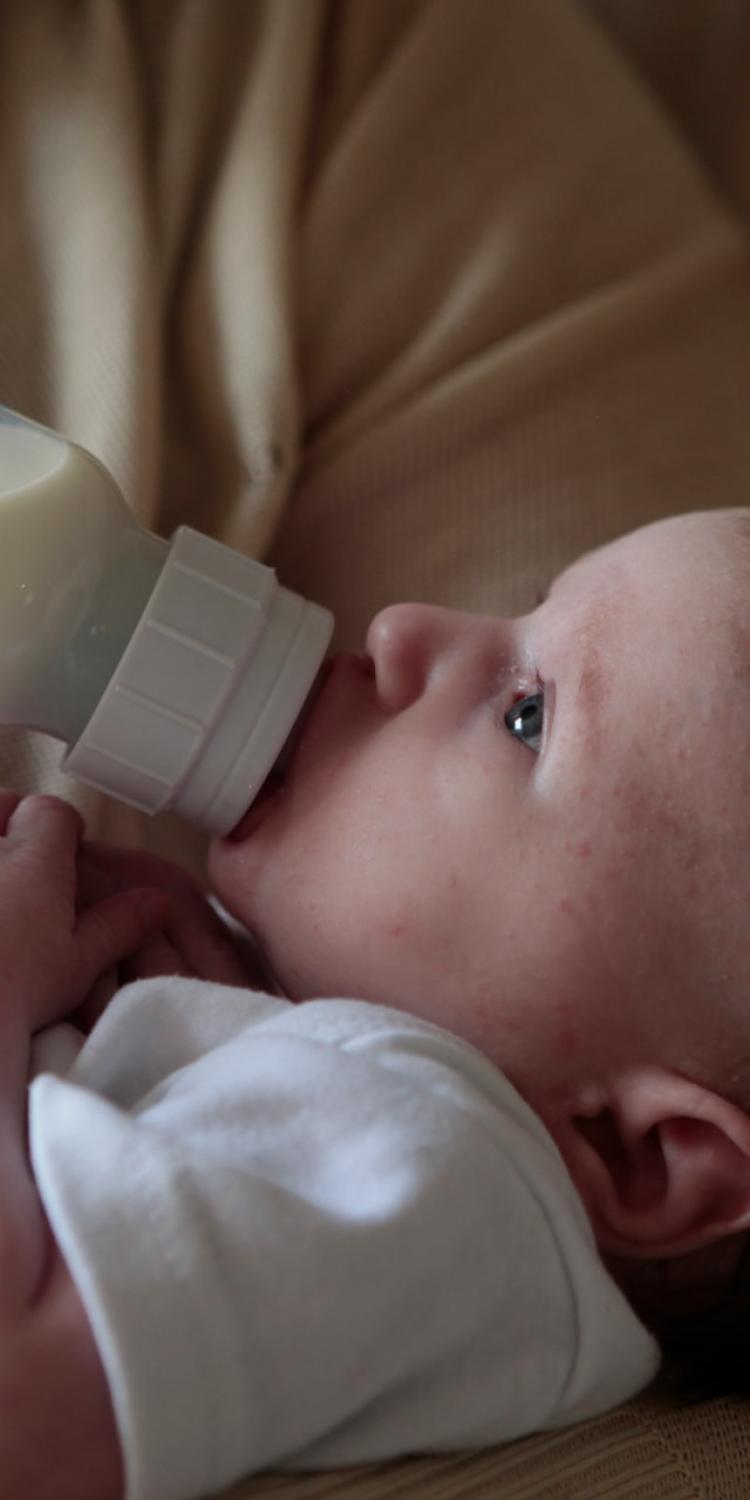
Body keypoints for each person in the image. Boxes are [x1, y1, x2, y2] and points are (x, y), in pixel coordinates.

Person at [2, 506, 750, 1500]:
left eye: (527, 716)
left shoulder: (439, 1166)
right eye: (520, 612)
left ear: (634, 1156)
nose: (401, 626)